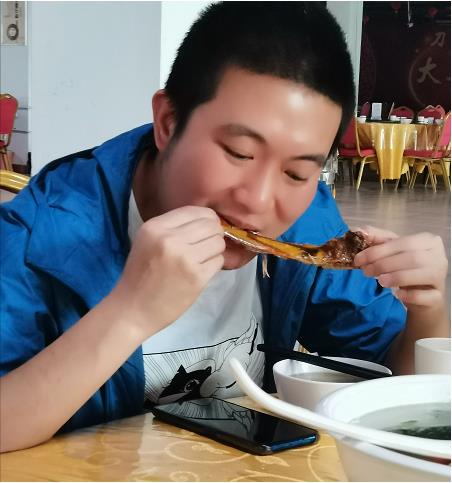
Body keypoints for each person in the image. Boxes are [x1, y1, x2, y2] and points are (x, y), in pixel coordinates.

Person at [0, 2, 448, 453]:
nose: (259, 201)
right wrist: (129, 314)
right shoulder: (41, 232)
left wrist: (427, 311)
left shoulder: (307, 223)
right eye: (238, 152)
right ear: (168, 123)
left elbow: (398, 383)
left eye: (296, 173)